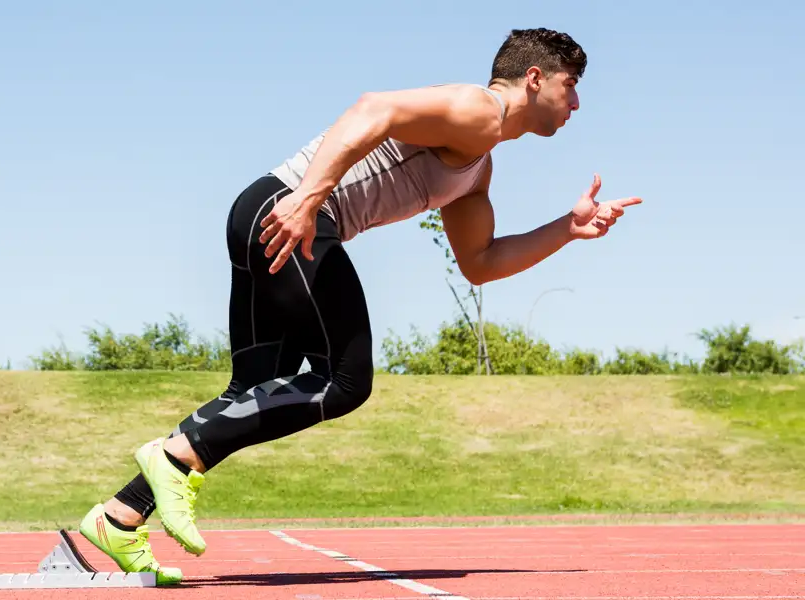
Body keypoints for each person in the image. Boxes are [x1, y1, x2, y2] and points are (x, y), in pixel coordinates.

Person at [74, 27, 641, 585]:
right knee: (345, 382)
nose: (577, 102)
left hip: (266, 212)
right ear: (535, 78)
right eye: (570, 85)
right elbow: (374, 109)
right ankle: (174, 457)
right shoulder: (479, 110)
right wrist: (309, 200)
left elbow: (481, 262)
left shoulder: (479, 165)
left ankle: (120, 517)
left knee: (252, 392)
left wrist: (567, 229)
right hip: (292, 215)